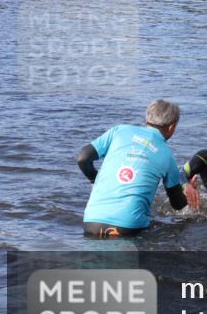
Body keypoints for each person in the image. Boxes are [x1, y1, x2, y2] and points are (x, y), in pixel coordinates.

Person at [76, 100, 188, 238]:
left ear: (146, 119)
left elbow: (82, 158)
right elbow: (178, 204)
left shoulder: (119, 131)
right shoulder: (167, 156)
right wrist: (187, 191)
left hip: (91, 223)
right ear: (172, 127)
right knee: (176, 231)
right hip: (128, 228)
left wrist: (94, 179)